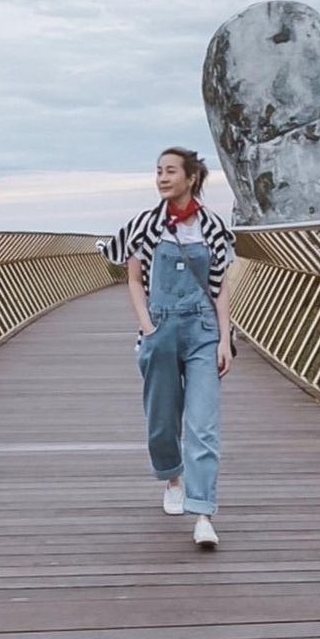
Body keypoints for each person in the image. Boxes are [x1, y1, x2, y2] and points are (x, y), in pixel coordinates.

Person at [98, 147, 235, 548]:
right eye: (158, 171)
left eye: (170, 171)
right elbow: (134, 280)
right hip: (159, 328)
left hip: (203, 331)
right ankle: (172, 477)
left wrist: (224, 339)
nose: (161, 178)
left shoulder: (213, 228)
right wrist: (146, 324)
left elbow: (220, 288)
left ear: (190, 177)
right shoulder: (144, 226)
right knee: (161, 420)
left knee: (202, 425)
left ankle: (203, 512)